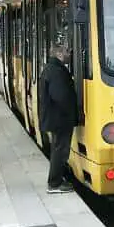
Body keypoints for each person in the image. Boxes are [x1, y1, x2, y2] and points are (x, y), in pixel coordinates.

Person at [39, 44, 79, 193]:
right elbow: (61, 96)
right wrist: (73, 111)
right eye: (67, 52)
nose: (70, 54)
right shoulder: (56, 71)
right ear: (60, 54)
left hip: (56, 118)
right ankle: (55, 184)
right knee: (60, 151)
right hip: (60, 119)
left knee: (59, 149)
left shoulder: (52, 69)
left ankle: (56, 180)